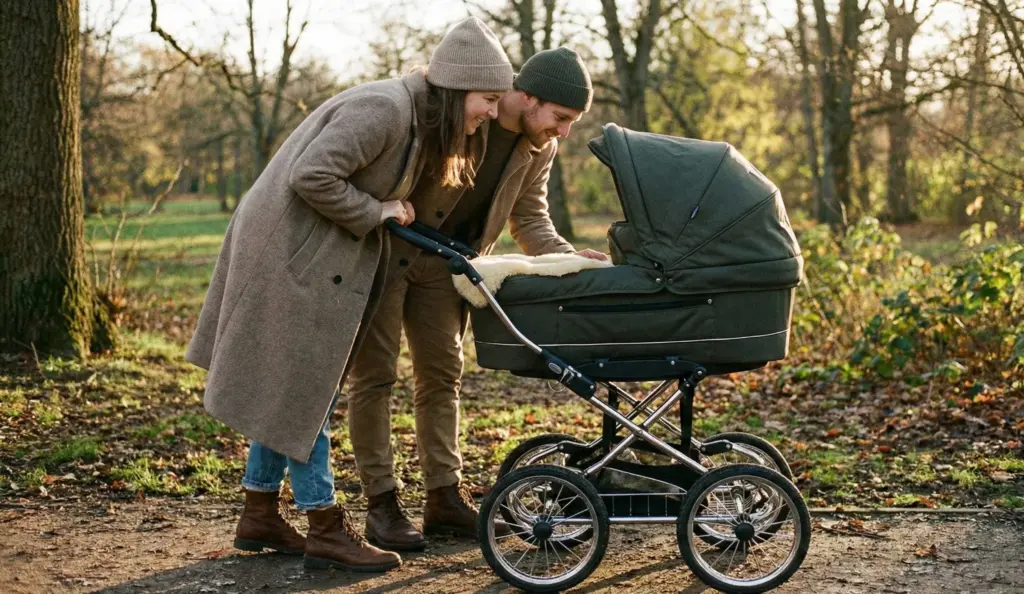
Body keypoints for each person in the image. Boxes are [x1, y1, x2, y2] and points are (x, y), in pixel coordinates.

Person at [184, 17, 514, 573]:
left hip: (313, 253)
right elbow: (312, 175)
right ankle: (325, 525)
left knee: (294, 385)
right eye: (486, 99)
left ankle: (259, 511)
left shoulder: (418, 116)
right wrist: (376, 211)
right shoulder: (386, 108)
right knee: (307, 385)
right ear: (457, 89)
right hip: (289, 254)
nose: (488, 114)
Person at [346, 47, 607, 552]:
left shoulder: (539, 148)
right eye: (561, 117)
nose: (565, 131)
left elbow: (530, 219)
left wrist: (569, 260)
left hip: (450, 269)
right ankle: (381, 505)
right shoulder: (467, 111)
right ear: (526, 97)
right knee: (374, 377)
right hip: (387, 254)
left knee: (443, 377)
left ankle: (444, 496)